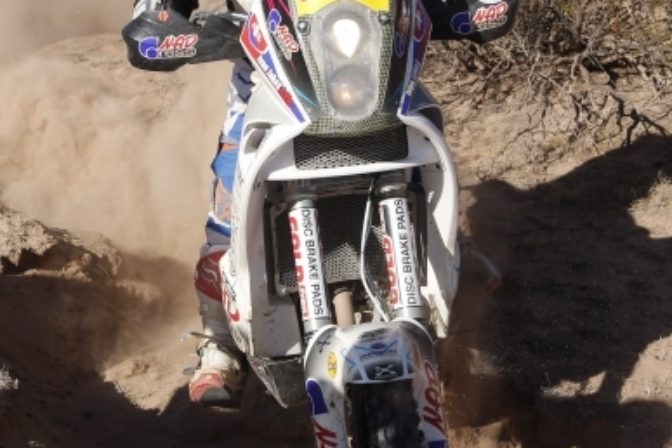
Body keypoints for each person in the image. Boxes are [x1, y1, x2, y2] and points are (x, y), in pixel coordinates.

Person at [127, 0, 519, 407]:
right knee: (230, 204)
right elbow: (157, 18)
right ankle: (220, 340)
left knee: (422, 151)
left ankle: (443, 248)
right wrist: (159, 15)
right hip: (268, 79)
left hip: (377, 71)